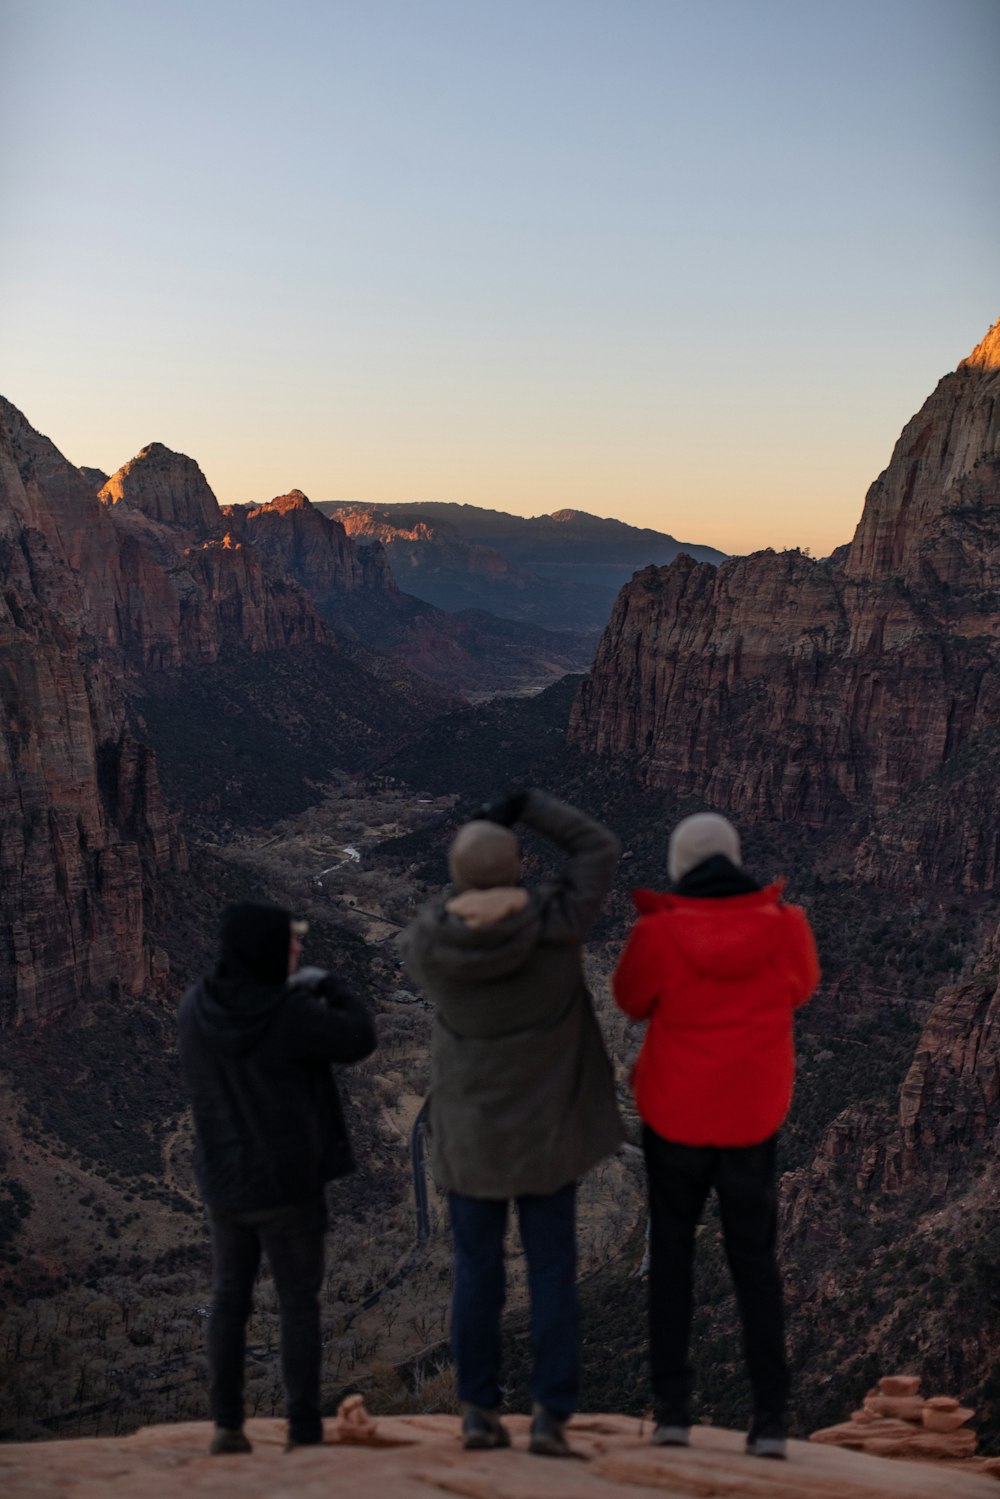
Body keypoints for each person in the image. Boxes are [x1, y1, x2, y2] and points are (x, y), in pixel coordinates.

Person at [400, 788, 623, 1457]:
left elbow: (441, 909)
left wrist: (472, 860)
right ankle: (551, 1414)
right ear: (518, 867)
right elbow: (598, 848)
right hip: (550, 1136)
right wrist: (526, 806)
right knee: (553, 1271)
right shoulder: (557, 925)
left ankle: (477, 1410)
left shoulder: (433, 943)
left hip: (471, 1141)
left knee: (477, 1271)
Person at [613, 812, 819, 1461]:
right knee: (754, 1263)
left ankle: (672, 1411)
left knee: (670, 1258)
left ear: (680, 865)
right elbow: (803, 988)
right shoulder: (787, 927)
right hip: (751, 1120)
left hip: (674, 1118)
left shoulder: (658, 931)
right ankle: (770, 1419)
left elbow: (629, 998)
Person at [178, 900, 376, 1454]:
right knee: (298, 1305)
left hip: (223, 1181)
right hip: (289, 1187)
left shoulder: (195, 1007)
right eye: (293, 940)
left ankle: (227, 1426)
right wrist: (331, 984)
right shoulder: (288, 1012)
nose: (299, 947)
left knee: (229, 1300)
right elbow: (359, 1038)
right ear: (268, 948)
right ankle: (303, 1430)